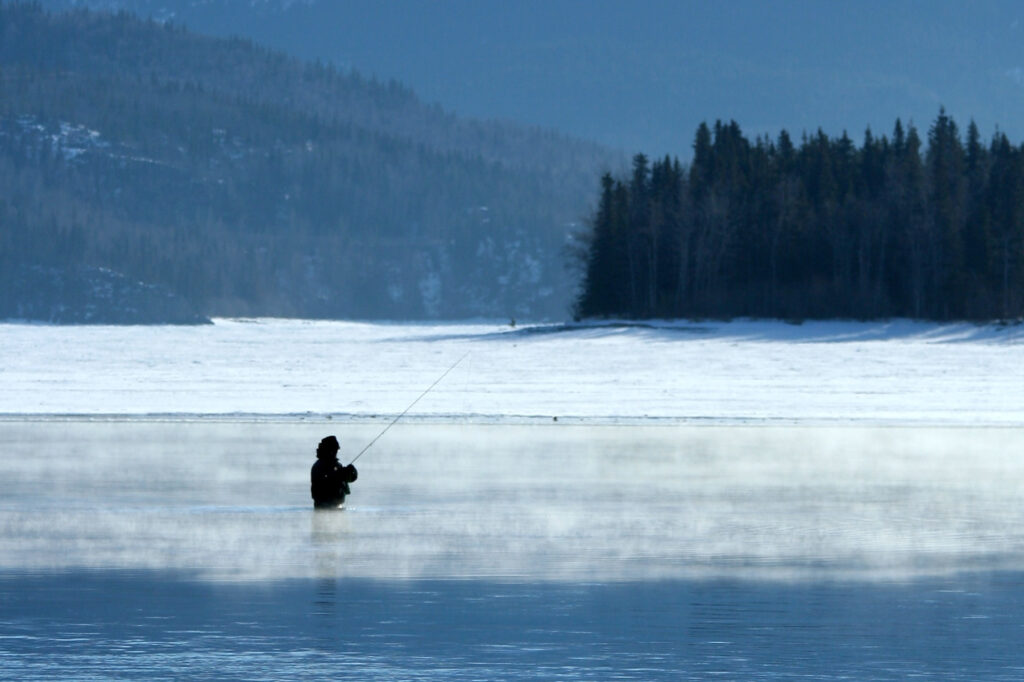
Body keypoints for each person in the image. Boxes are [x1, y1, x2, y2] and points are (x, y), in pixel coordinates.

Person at [310, 435, 358, 509]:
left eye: (337, 450)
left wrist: (352, 472)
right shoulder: (320, 465)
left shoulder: (337, 465)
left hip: (337, 507)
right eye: (334, 450)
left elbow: (348, 479)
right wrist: (339, 474)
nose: (336, 452)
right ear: (329, 450)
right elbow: (326, 482)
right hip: (324, 506)